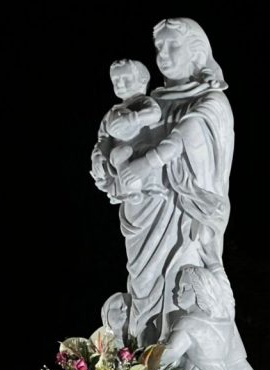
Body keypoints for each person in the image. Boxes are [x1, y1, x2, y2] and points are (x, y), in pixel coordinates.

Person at [95, 18, 232, 348]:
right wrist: (104, 161)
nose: (165, 55)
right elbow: (109, 138)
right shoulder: (150, 100)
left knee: (176, 283)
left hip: (181, 211)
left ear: (196, 52)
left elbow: (192, 132)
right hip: (140, 209)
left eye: (174, 46)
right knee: (141, 283)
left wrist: (147, 162)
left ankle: (174, 358)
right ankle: (144, 363)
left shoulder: (208, 100)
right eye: (160, 48)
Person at [91, 59, 163, 205]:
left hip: (141, 151)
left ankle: (150, 188)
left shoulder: (143, 102)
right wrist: (98, 157)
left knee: (147, 157)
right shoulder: (111, 113)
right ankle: (127, 191)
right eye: (115, 80)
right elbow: (103, 139)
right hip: (120, 158)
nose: (120, 84)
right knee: (116, 157)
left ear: (142, 80)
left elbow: (155, 113)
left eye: (126, 79)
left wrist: (132, 119)